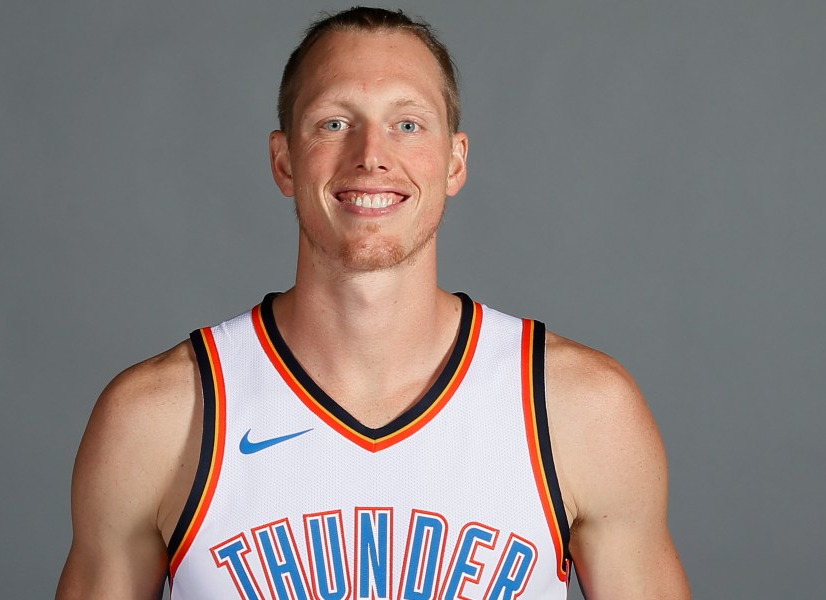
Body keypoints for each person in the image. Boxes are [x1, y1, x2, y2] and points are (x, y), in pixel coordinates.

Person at [57, 7, 690, 599]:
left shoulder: (580, 408)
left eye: (407, 124)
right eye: (334, 123)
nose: (370, 157)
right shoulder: (158, 419)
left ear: (454, 162)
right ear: (283, 161)